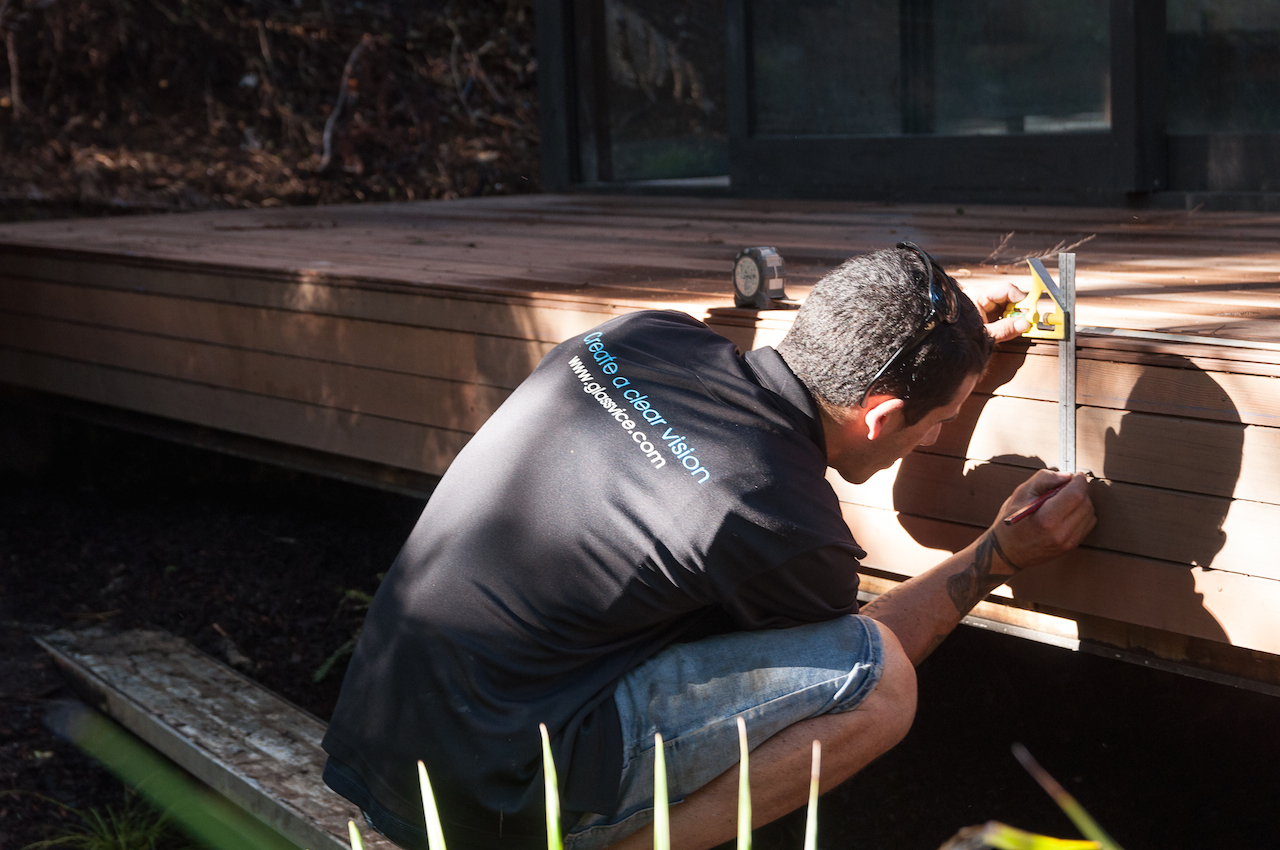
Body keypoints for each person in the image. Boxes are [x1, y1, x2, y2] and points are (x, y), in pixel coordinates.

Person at [320, 244, 1096, 850]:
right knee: (879, 682)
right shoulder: (779, 518)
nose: (936, 437)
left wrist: (947, 340)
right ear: (881, 416)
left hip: (383, 731)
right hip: (485, 806)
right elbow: (850, 656)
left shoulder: (643, 334)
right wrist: (997, 556)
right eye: (940, 421)